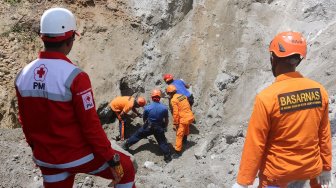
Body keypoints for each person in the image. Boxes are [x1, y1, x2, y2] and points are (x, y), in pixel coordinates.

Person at [14, 7, 136, 188]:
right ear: (70, 39)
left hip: (46, 158)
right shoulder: (75, 76)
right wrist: (111, 158)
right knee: (126, 168)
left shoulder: (23, 75)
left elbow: (25, 121)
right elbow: (91, 125)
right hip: (77, 156)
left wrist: (36, 150)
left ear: (42, 37)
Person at [233, 31, 332, 188]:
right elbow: (324, 134)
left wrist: (244, 182)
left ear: (274, 59)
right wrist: (326, 167)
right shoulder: (319, 91)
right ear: (297, 61)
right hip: (311, 172)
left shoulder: (267, 97)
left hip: (277, 177)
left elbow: (255, 143)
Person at [122, 89, 172, 162]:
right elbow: (166, 120)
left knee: (137, 135)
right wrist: (164, 126)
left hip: (148, 126)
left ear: (152, 98)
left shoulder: (147, 108)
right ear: (160, 98)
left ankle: (126, 145)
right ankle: (167, 157)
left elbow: (144, 118)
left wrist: (145, 126)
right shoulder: (164, 108)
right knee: (162, 142)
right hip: (159, 127)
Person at [166, 85, 194, 158]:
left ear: (169, 93)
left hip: (183, 118)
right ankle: (185, 141)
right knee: (186, 127)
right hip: (190, 116)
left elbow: (175, 113)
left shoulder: (173, 100)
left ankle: (177, 152)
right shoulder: (182, 96)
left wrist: (176, 123)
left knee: (179, 134)